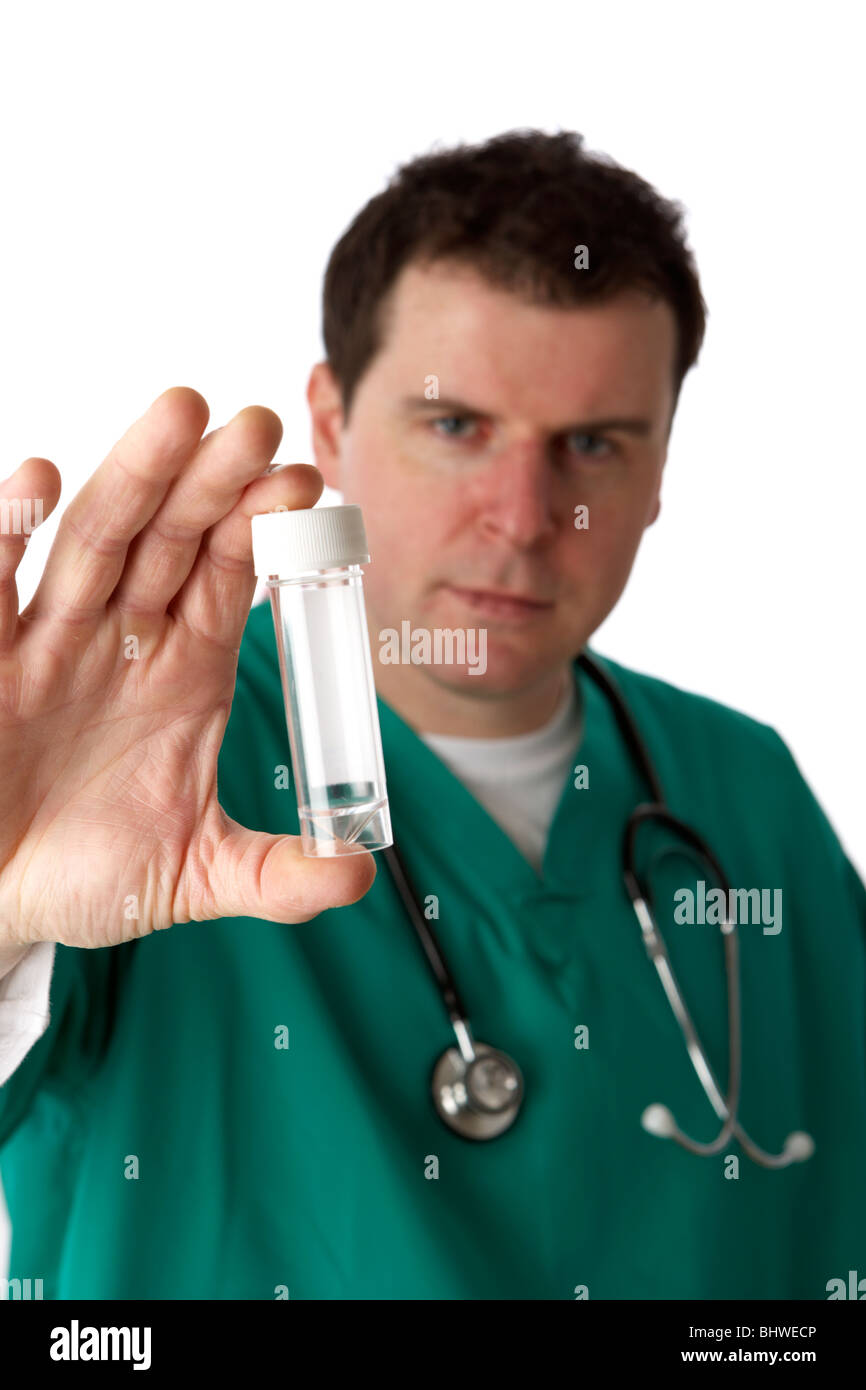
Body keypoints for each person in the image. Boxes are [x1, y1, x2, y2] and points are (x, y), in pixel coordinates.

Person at [0, 130, 863, 1301]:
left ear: (661, 468)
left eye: (593, 443)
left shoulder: (744, 790)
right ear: (331, 422)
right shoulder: (135, 760)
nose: (519, 516)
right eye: (455, 425)